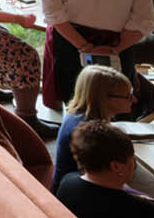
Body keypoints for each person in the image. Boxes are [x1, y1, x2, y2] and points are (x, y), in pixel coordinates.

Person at [49, 61, 135, 193]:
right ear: (105, 99)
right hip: (80, 195)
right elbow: (120, 172)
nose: (134, 100)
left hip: (67, 186)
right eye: (128, 96)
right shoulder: (92, 134)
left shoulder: (75, 116)